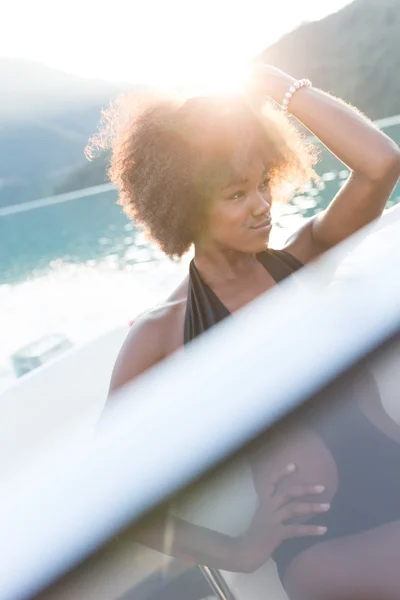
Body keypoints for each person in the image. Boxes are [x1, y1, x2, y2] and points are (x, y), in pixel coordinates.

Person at [97, 65, 400, 599]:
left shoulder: (304, 260)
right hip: (327, 545)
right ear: (186, 206)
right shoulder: (160, 336)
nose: (262, 205)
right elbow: (101, 494)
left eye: (262, 183)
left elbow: (381, 164)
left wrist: (273, 83)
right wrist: (237, 550)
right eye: (236, 194)